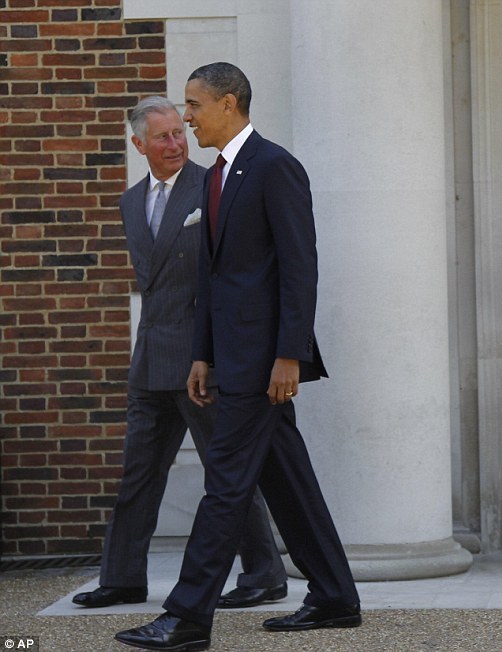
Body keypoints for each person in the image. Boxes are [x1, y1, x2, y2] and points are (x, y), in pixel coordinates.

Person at [115, 63, 359, 651]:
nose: (187, 117)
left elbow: (300, 270)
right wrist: (201, 355)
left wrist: (290, 357)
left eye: (194, 106)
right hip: (229, 357)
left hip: (263, 364)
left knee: (224, 484)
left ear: (228, 104)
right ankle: (333, 597)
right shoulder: (216, 177)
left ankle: (187, 616)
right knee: (288, 479)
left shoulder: (275, 167)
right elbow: (215, 276)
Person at [73, 96, 287, 612]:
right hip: (150, 360)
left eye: (179, 133)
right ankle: (122, 578)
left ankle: (264, 574)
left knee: (226, 471)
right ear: (139, 144)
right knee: (138, 473)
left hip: (201, 360)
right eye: (162, 136)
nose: (175, 143)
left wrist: (216, 354)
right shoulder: (129, 202)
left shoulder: (212, 185)